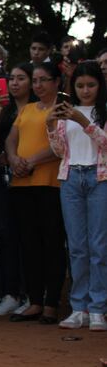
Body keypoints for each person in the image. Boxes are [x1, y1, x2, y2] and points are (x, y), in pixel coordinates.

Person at [47, 61, 107, 331]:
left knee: (99, 246)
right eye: (80, 85)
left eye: (91, 85)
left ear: (100, 86)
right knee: (77, 247)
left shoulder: (102, 111)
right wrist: (51, 125)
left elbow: (105, 144)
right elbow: (60, 150)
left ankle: (97, 308)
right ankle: (78, 307)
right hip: (71, 178)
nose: (85, 90)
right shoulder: (65, 112)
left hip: (99, 177)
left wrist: (84, 122)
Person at [5, 62, 66, 325]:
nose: (39, 85)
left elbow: (60, 146)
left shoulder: (62, 109)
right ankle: (34, 302)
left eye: (44, 80)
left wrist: (30, 161)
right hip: (22, 184)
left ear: (56, 82)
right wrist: (13, 158)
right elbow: (10, 139)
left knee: (51, 244)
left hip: (50, 183)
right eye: (36, 80)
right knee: (29, 244)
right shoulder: (28, 108)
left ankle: (51, 304)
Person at [0, 62, 36, 317]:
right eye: (12, 79)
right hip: (7, 181)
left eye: (21, 78)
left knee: (31, 239)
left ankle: (32, 294)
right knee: (7, 239)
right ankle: (10, 294)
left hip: (36, 179)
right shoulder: (4, 112)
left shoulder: (38, 109)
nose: (15, 83)